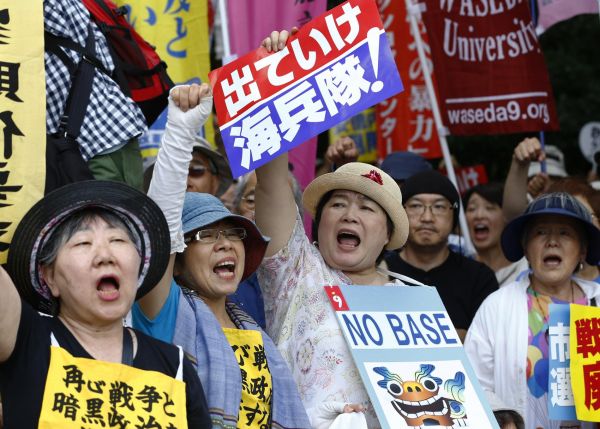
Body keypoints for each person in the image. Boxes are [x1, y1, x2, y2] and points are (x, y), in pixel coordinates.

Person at [133, 84, 310, 428]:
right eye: (206, 235)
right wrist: (182, 129)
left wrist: (272, 84)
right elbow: (160, 229)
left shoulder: (255, 327)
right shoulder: (166, 312)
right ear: (179, 259)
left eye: (234, 234)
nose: (226, 244)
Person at [0, 181, 211, 428]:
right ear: (50, 278)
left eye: (118, 240)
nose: (105, 256)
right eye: (83, 244)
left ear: (139, 267)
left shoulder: (173, 366)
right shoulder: (27, 339)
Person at [465, 192, 600, 429]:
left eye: (565, 233)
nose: (552, 241)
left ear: (583, 251)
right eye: (540, 233)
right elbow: (473, 381)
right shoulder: (497, 306)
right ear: (526, 249)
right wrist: (504, 419)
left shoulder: (596, 302)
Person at [384, 170, 499, 341]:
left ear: (455, 216)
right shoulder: (380, 273)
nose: (427, 217)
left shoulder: (479, 278)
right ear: (401, 213)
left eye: (439, 207)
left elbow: (487, 343)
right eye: (416, 206)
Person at [464, 183, 528, 286]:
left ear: (507, 217)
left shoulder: (527, 269)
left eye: (489, 208)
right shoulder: (459, 272)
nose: (479, 215)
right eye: (472, 209)